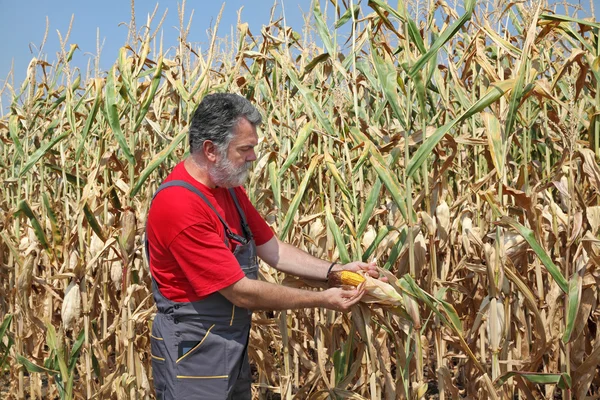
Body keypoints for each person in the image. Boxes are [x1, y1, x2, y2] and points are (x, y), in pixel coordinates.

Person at [145, 93, 378, 399]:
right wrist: (324, 299)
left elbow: (273, 249)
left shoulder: (227, 189)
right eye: (246, 148)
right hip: (192, 348)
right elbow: (240, 291)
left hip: (230, 342)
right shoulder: (180, 204)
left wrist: (337, 272)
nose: (253, 157)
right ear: (211, 150)